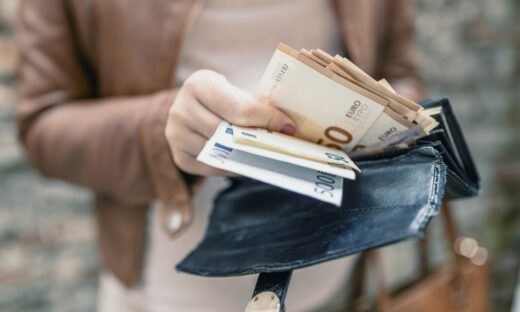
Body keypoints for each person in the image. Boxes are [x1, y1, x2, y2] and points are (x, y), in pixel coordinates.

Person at [16, 0, 426, 310]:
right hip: (168, 291)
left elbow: (400, 69)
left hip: (337, 274)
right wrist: (160, 128)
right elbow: (42, 124)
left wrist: (387, 119)